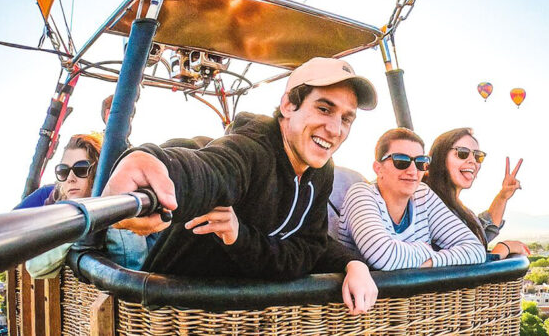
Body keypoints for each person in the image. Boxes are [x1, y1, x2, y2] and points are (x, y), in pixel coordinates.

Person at [103, 57, 380, 315]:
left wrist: (352, 264)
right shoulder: (250, 150)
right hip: (178, 314)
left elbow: (309, 248)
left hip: (246, 317)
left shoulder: (320, 172)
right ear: (288, 106)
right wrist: (154, 165)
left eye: (346, 118)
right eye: (323, 108)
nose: (335, 129)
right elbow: (211, 170)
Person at [336, 128, 486, 271]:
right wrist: (428, 249)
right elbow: (383, 257)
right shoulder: (361, 194)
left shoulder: (423, 195)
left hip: (416, 296)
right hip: (370, 296)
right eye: (401, 161)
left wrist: (432, 262)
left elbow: (476, 249)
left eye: (421, 162)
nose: (413, 171)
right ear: (378, 168)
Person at [19, 134, 148, 277]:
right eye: (63, 171)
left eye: (80, 169)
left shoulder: (120, 204)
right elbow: (34, 267)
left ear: (98, 172)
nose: (70, 178)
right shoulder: (54, 203)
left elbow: (132, 269)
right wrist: (78, 224)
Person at [424, 127, 529, 258]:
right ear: (440, 157)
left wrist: (503, 196)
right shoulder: (429, 205)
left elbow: (479, 233)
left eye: (477, 156)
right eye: (462, 153)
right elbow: (463, 264)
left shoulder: (453, 206)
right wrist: (503, 249)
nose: (472, 161)